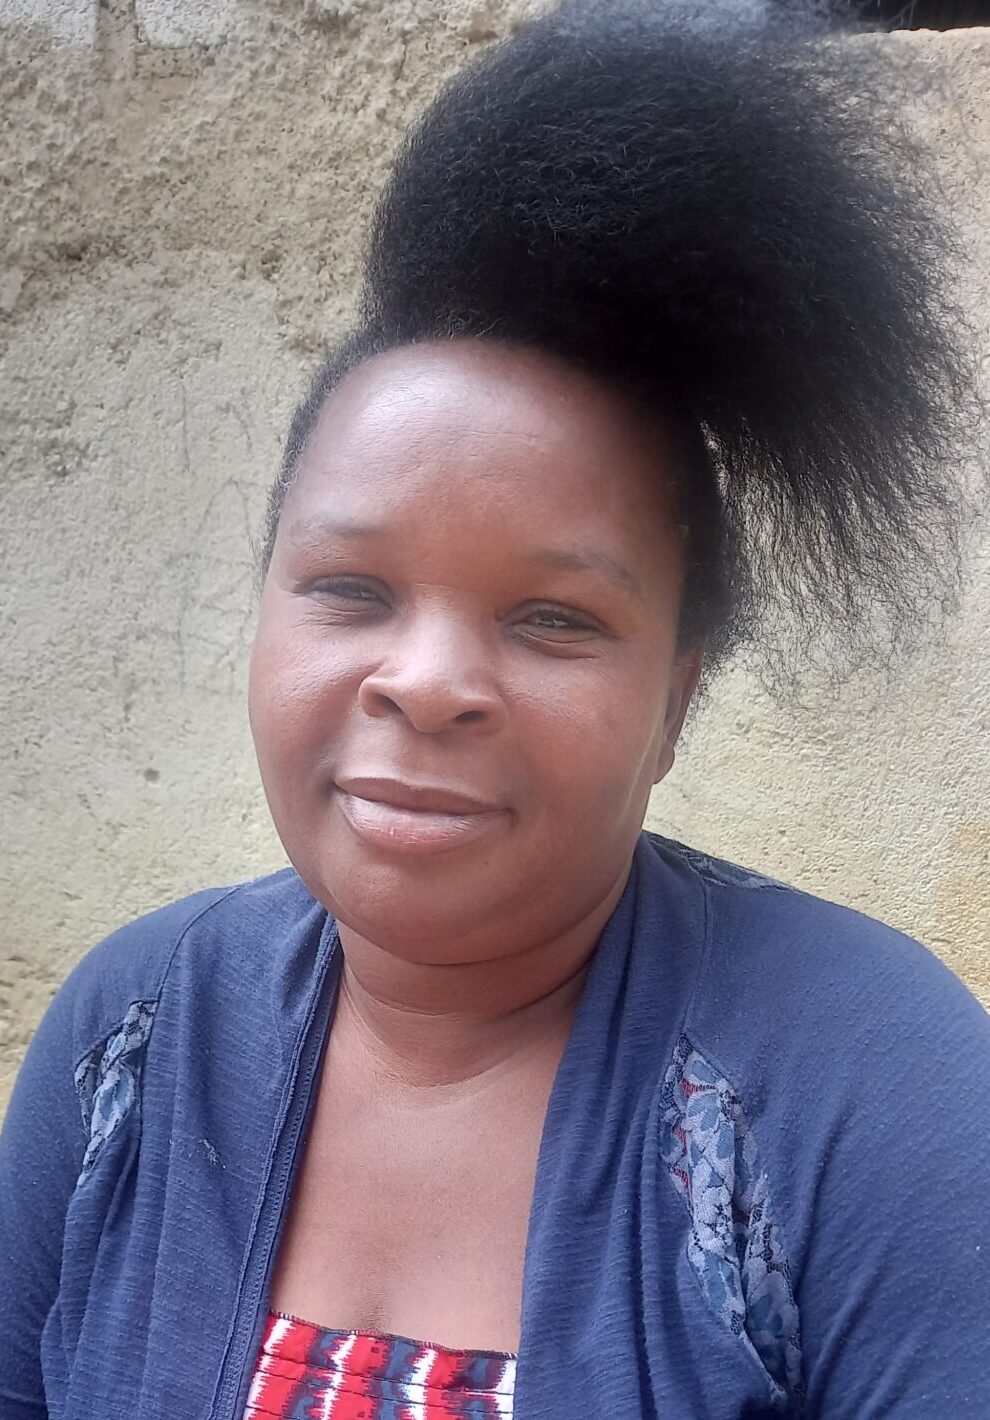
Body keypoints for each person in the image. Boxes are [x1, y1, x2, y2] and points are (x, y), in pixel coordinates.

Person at [2, 2, 988, 1417]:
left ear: (674, 701)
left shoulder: (870, 1088)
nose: (424, 682)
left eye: (552, 618)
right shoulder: (132, 1032)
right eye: (351, 589)